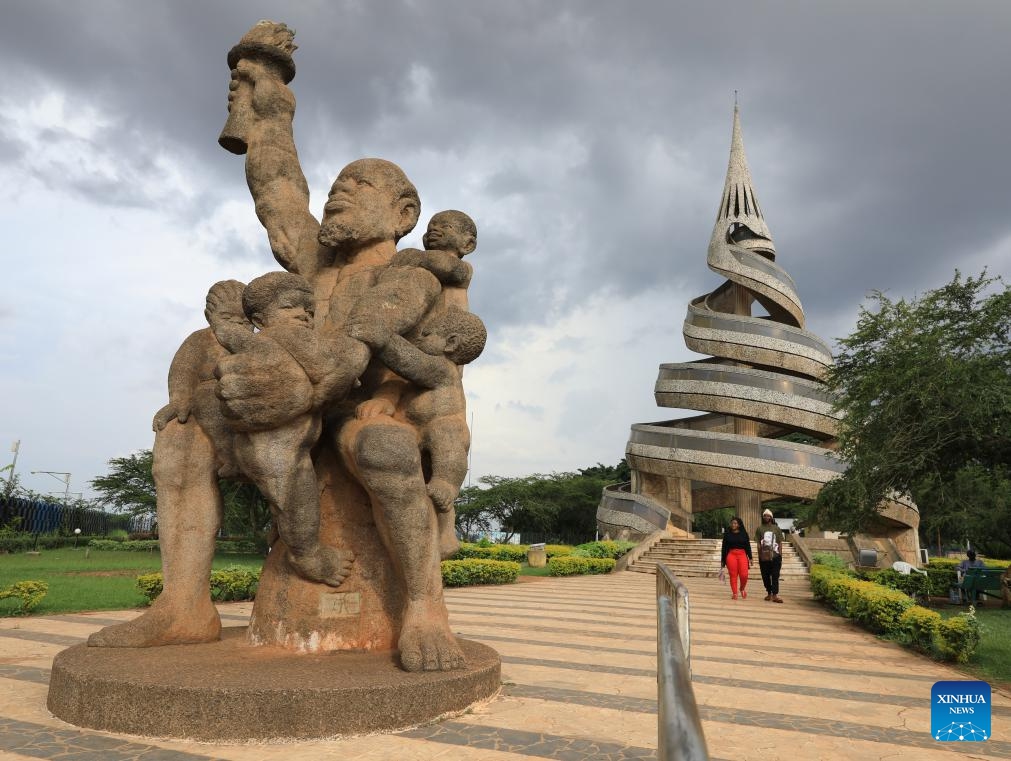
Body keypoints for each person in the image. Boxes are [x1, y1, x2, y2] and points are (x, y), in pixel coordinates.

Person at [90, 54, 465, 672]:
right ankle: (185, 605)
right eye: (338, 186)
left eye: (360, 185)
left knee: (385, 450)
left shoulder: (411, 275)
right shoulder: (314, 264)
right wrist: (269, 103)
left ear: (403, 215)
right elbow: (279, 189)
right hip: (288, 401)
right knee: (182, 437)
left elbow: (359, 347)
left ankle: (425, 608)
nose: (341, 192)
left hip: (352, 408)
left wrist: (299, 388)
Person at [212, 271, 369, 587]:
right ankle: (307, 556)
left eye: (309, 310)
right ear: (260, 318)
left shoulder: (263, 342)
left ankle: (289, 538)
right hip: (278, 448)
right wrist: (350, 368)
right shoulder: (291, 336)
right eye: (290, 308)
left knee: (287, 502)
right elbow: (332, 370)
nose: (303, 315)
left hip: (265, 446)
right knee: (298, 500)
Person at [351, 306, 487, 560]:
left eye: (426, 334)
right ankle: (446, 534)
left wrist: (384, 338)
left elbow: (413, 363)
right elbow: (395, 384)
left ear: (451, 344)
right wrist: (385, 400)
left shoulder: (443, 369)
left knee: (444, 435)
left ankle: (447, 483)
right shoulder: (414, 380)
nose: (419, 339)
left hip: (443, 430)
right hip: (414, 430)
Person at [755, 508, 785, 603]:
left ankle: (775, 595)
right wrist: (760, 555)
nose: (766, 517)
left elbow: (780, 542)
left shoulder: (776, 528)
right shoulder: (760, 528)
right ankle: (769, 593)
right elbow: (758, 543)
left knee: (775, 575)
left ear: (771, 517)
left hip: (775, 556)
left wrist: (780, 555)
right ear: (763, 517)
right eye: (765, 515)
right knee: (765, 575)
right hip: (764, 557)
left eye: (768, 516)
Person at [720, 516, 752, 600]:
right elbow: (724, 548)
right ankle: (734, 593)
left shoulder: (744, 534)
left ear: (739, 524)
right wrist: (723, 560)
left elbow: (748, 546)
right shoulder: (727, 534)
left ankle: (742, 589)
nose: (733, 525)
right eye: (732, 523)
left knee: (744, 575)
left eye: (735, 523)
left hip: (742, 555)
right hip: (731, 555)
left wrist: (750, 557)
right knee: (733, 575)